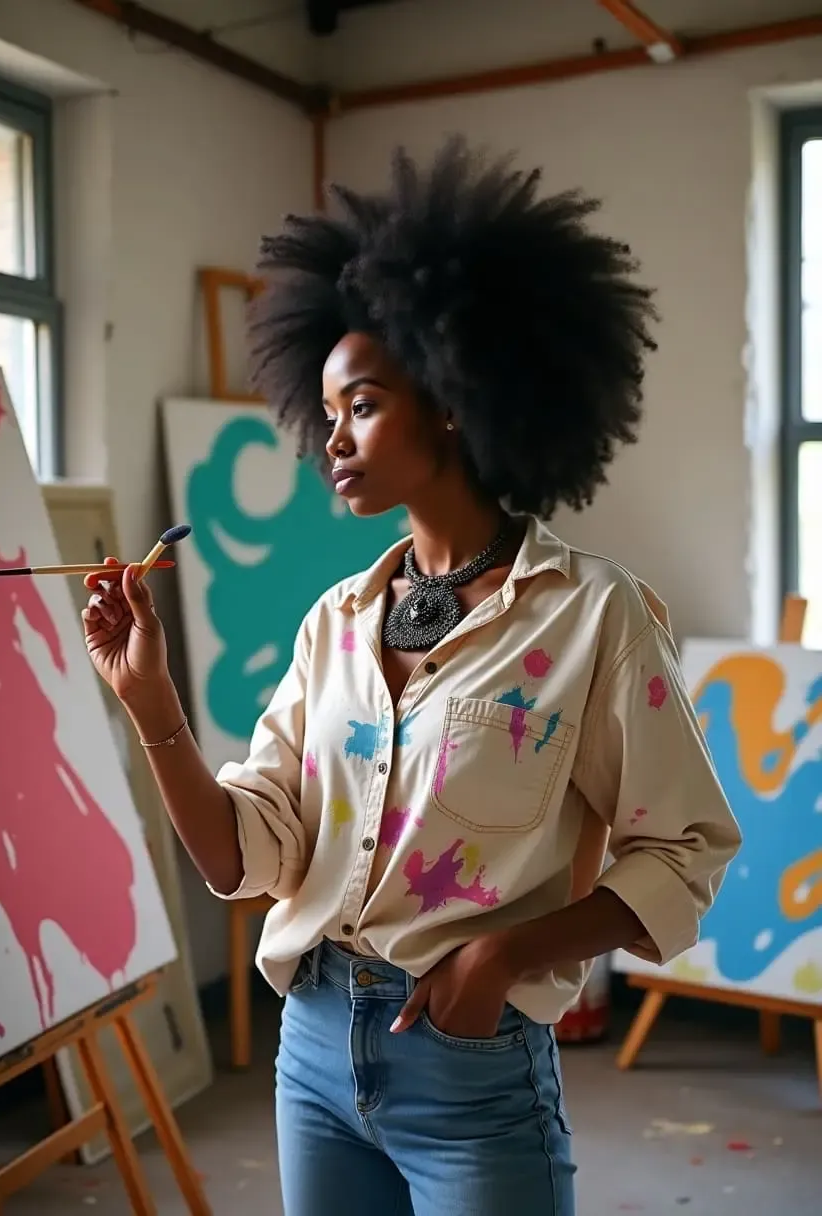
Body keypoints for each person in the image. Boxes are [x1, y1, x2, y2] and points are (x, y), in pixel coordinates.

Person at [82, 138, 741, 1216]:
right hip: (309, 1057)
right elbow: (238, 858)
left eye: (364, 405)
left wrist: (500, 960)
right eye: (328, 410)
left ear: (449, 395)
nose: (331, 438)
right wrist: (150, 705)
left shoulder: (593, 616)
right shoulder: (333, 626)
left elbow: (690, 847)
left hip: (471, 1069)